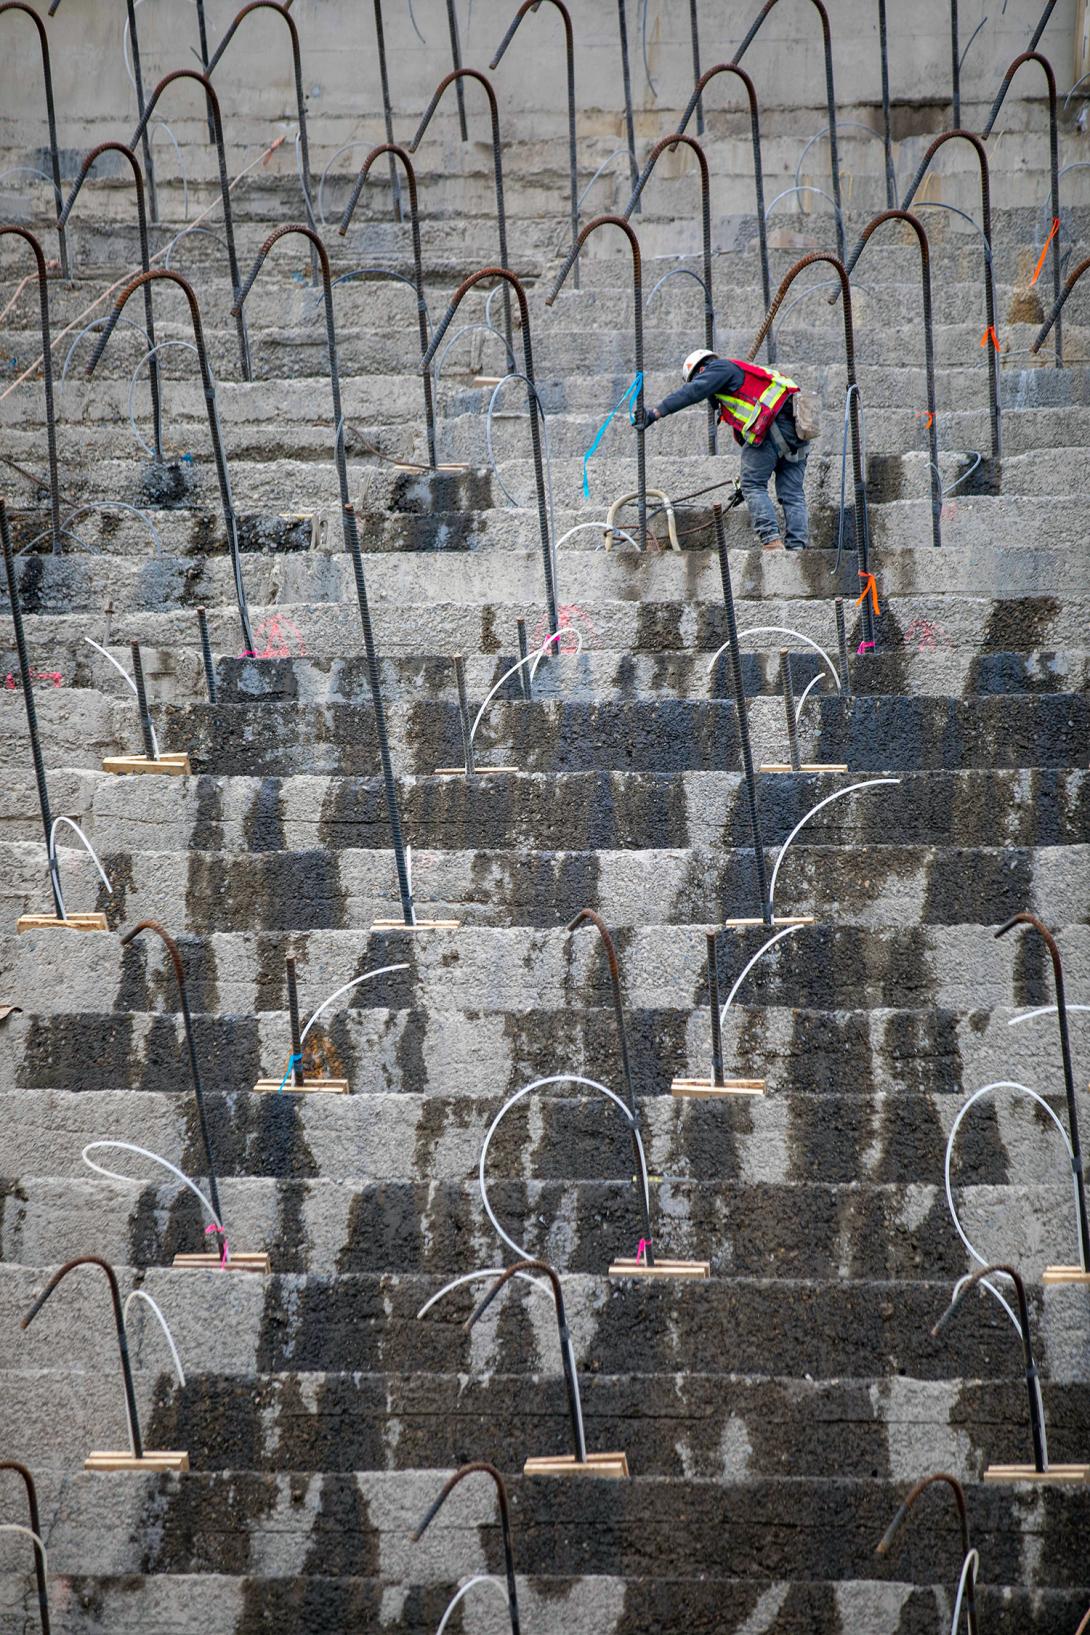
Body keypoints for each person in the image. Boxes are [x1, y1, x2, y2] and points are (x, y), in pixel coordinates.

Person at [639, 349, 811, 551]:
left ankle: (771, 540)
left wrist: (655, 413)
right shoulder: (743, 376)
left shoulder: (719, 368)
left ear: (701, 369)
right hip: (798, 431)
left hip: (773, 427)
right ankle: (797, 548)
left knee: (753, 485)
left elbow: (693, 392)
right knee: (792, 494)